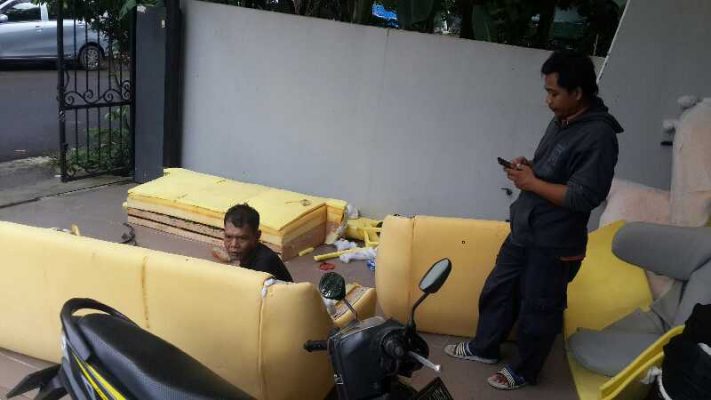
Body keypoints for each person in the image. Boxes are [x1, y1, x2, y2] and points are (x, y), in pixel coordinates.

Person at [444, 51, 623, 390]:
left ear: (578, 93)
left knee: (538, 309)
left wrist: (531, 182)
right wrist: (529, 167)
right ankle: (484, 348)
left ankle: (525, 370)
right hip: (526, 228)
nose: (548, 100)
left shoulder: (599, 136)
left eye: (554, 93)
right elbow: (553, 170)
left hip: (555, 242)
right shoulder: (561, 121)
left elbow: (584, 196)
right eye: (547, 91)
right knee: (499, 290)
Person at [223, 203, 294, 282]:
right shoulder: (251, 255)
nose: (234, 245)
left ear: (257, 236)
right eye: (228, 237)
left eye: (242, 238)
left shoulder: (263, 266)